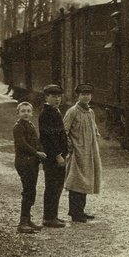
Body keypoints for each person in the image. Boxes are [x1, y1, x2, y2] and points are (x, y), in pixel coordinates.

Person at [63, 83, 102, 223]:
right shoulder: (72, 111)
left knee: (86, 180)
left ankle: (81, 211)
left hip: (89, 152)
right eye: (83, 94)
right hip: (77, 151)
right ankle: (75, 213)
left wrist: (95, 138)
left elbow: (94, 129)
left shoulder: (90, 112)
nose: (86, 97)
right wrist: (70, 147)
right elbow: (64, 131)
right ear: (78, 96)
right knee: (76, 181)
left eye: (88, 94)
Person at [12, 102, 46, 234]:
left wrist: (41, 152)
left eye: (28, 111)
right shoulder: (18, 127)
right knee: (28, 190)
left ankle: (28, 219)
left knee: (31, 190)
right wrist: (37, 153)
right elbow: (22, 144)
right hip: (23, 162)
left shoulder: (30, 125)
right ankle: (23, 222)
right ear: (18, 113)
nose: (26, 113)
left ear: (32, 113)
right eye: (23, 111)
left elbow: (36, 142)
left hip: (32, 162)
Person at [39, 84, 68, 228]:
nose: (57, 99)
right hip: (52, 158)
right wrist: (58, 155)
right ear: (46, 97)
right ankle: (49, 218)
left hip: (57, 156)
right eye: (53, 96)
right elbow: (49, 138)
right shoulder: (47, 114)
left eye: (59, 96)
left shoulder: (54, 111)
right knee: (52, 186)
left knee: (57, 186)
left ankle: (53, 215)